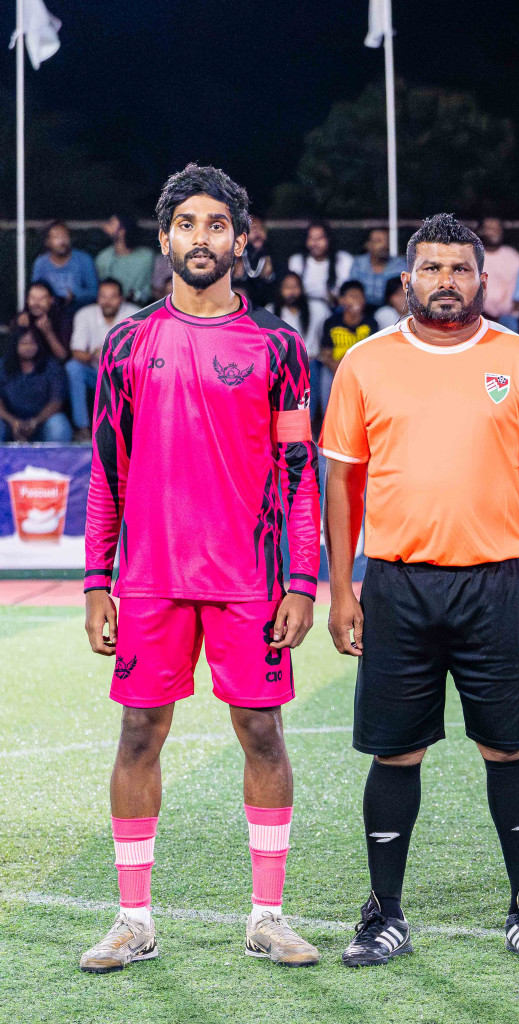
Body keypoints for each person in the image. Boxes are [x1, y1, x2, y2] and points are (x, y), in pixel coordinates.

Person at [77, 163, 321, 973]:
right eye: (187, 223)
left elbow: (296, 475)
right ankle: (133, 921)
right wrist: (95, 584)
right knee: (140, 733)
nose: (202, 237)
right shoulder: (126, 344)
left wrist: (301, 580)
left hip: (249, 582)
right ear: (166, 237)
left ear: (242, 240)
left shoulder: (279, 347)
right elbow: (107, 473)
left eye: (218, 224)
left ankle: (267, 915)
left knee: (262, 731)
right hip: (149, 579)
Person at [321, 213, 519, 967]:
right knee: (396, 755)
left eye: (460, 269)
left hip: (500, 583)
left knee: (508, 748)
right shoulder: (366, 363)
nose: (446, 282)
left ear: (482, 280)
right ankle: (384, 912)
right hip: (398, 585)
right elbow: (341, 481)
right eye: (431, 269)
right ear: (407, 281)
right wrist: (343, 587)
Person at [69, 279, 141, 439]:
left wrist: (116, 356)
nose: (107, 302)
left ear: (122, 298)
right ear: (97, 298)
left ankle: (133, 432)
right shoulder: (85, 314)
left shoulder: (135, 314)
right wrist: (95, 355)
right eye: (103, 296)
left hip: (125, 375)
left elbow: (144, 354)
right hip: (95, 372)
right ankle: (83, 429)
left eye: (113, 297)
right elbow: (76, 352)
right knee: (73, 368)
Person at [314, 281, 374, 435]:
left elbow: (374, 356)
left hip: (362, 372)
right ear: (341, 301)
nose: (355, 300)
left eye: (358, 297)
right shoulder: (332, 322)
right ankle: (329, 427)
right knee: (325, 376)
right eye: (350, 296)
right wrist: (340, 370)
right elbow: (325, 353)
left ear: (364, 300)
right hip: (335, 369)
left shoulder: (371, 323)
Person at [0, 329, 72, 442]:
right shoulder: (2, 366)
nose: (28, 347)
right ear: (15, 345)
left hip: (42, 424)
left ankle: (56, 459)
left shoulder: (51, 366)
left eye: (32, 343)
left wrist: (35, 422)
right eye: (24, 343)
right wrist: (14, 422)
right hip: (9, 424)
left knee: (58, 425)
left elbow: (56, 401)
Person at [269, 271, 329, 375]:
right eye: (287, 287)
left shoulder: (318, 308)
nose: (291, 291)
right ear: (280, 290)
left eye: (295, 287)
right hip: (283, 367)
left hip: (312, 364)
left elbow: (332, 330)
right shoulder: (270, 311)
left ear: (301, 288)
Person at [32, 221, 99, 312]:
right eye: (56, 237)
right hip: (50, 312)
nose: (62, 241)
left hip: (79, 311)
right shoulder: (41, 263)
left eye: (64, 236)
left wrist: (76, 294)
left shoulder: (84, 259)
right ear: (47, 242)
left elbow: (95, 292)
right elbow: (35, 292)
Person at [288, 220, 353, 308]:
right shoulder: (296, 261)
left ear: (329, 239)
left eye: (320, 238)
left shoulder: (344, 259)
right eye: (311, 238)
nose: (315, 243)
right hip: (304, 308)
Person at [95, 215, 156, 306]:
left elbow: (148, 290)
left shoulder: (146, 257)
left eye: (111, 223)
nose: (105, 226)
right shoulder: (103, 258)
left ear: (122, 230)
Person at [478, 216, 519, 326]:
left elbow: (517, 289)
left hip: (508, 314)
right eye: (490, 228)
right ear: (480, 231)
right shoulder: (471, 255)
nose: (494, 232)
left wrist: (503, 308)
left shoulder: (513, 256)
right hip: (478, 313)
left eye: (497, 229)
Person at [12, 280, 71, 363]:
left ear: (51, 300)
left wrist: (48, 333)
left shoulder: (63, 318)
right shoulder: (21, 318)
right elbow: (11, 355)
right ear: (27, 300)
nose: (36, 303)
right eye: (33, 298)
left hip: (51, 367)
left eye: (42, 298)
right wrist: (21, 329)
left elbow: (63, 356)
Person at [352, 228, 407, 307]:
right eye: (378, 241)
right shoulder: (359, 264)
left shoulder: (399, 265)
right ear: (368, 245)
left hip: (390, 310)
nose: (384, 245)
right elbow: (353, 290)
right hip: (363, 310)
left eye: (387, 241)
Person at [236, 216, 279, 310]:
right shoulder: (239, 256)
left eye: (260, 228)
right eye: (253, 229)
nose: (257, 232)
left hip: (268, 304)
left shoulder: (273, 254)